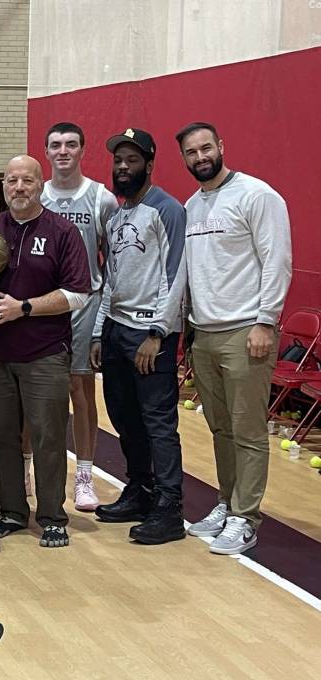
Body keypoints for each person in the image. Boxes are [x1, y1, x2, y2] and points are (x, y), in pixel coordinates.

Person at [0, 155, 91, 548]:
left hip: (43, 352)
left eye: (26, 181)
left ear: (40, 184)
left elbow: (78, 293)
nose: (18, 188)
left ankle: (52, 516)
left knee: (48, 435)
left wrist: (23, 308)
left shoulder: (63, 232)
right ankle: (12, 511)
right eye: (11, 181)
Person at [176, 121, 292, 555]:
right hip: (204, 335)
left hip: (247, 332)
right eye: (192, 153)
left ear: (221, 147)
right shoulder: (191, 206)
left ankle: (246, 517)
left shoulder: (257, 196)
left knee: (247, 431)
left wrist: (266, 321)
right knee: (220, 429)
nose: (201, 157)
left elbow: (277, 260)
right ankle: (226, 503)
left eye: (207, 148)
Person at [89, 128, 187, 544]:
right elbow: (111, 279)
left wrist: (159, 333)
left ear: (149, 163)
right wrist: (98, 331)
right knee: (125, 418)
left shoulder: (168, 210)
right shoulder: (117, 215)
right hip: (116, 331)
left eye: (131, 160)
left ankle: (170, 509)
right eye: (118, 160)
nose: (123, 167)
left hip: (150, 334)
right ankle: (140, 491)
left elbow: (177, 274)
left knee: (158, 424)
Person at [41, 122, 119, 512]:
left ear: (83, 150)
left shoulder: (101, 199)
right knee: (34, 392)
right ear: (46, 151)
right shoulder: (36, 195)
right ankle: (27, 470)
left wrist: (103, 319)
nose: (63, 151)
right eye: (56, 145)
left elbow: (114, 258)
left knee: (80, 390)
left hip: (85, 302)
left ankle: (85, 476)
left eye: (71, 144)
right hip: (42, 305)